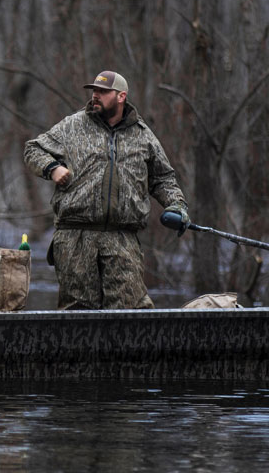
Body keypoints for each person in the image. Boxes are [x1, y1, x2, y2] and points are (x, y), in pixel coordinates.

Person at [23, 71, 189, 310]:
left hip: (122, 238)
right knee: (78, 312)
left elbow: (163, 178)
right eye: (94, 91)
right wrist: (52, 168)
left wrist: (178, 206)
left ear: (121, 96)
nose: (95, 96)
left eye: (103, 91)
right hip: (75, 237)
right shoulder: (73, 126)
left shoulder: (143, 136)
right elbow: (33, 150)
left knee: (131, 310)